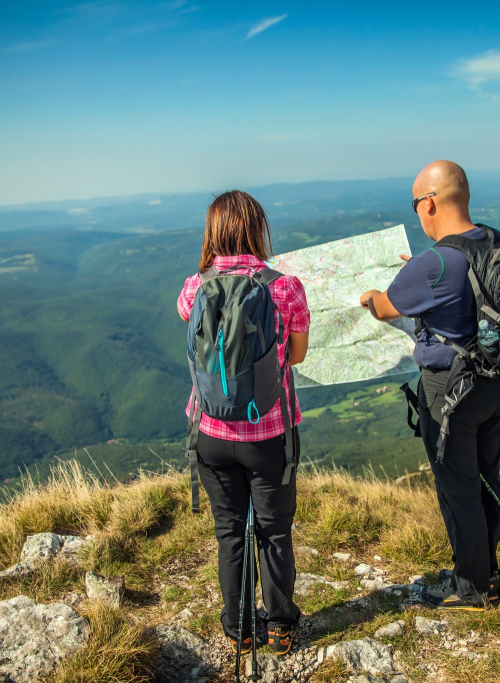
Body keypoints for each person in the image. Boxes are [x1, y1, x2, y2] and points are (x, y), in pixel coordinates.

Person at [359, 161, 500, 611]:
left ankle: (471, 588)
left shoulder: (434, 263)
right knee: (486, 478)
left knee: (457, 486)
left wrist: (370, 295)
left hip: (451, 392)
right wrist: (424, 274)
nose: (418, 212)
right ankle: (489, 574)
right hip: (498, 382)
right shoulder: (492, 240)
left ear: (428, 202)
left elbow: (386, 306)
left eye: (416, 204)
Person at [178, 190, 309, 654]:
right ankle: (279, 626)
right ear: (257, 228)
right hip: (268, 433)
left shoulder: (194, 287)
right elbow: (295, 355)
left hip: (209, 431)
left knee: (228, 531)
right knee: (274, 531)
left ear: (213, 232)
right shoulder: (284, 287)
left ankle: (238, 627)